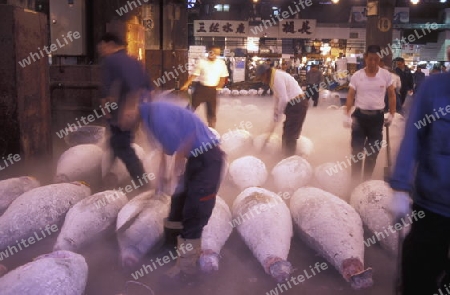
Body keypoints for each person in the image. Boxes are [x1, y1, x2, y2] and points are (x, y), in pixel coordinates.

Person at [119, 95, 225, 280]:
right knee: (177, 205)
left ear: (129, 111)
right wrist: (162, 178)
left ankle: (186, 269)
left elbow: (190, 133)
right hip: (194, 160)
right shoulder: (148, 119)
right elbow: (164, 150)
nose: (122, 125)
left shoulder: (157, 114)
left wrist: (177, 164)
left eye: (122, 119)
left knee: (194, 213)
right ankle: (170, 247)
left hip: (208, 160)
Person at [388, 50, 450, 295]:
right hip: (432, 205)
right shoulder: (434, 88)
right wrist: (400, 187)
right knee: (418, 277)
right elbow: (412, 137)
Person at [98, 32, 150, 189]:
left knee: (123, 147)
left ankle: (143, 185)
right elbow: (149, 87)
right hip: (135, 110)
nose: (101, 50)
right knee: (115, 143)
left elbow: (107, 89)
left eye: (101, 46)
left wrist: (126, 109)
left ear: (109, 44)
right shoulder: (135, 61)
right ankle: (108, 177)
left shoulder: (111, 60)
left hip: (121, 112)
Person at [344, 45, 396, 183]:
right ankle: (354, 181)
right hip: (359, 117)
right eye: (370, 59)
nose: (373, 63)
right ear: (365, 58)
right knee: (357, 151)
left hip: (377, 119)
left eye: (376, 60)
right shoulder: (357, 76)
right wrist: (347, 114)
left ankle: (366, 180)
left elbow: (391, 95)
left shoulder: (385, 75)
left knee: (373, 151)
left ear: (379, 60)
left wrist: (392, 114)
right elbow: (350, 95)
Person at [254, 63, 308, 157]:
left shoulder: (277, 78)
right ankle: (285, 155)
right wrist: (275, 112)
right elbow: (277, 96)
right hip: (293, 104)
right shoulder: (273, 77)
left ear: (265, 73)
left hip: (298, 104)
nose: (262, 80)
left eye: (261, 77)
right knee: (287, 131)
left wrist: (279, 115)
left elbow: (284, 99)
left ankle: (289, 158)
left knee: (290, 134)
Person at [180, 45, 228, 128]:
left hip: (212, 90)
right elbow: (194, 75)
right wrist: (186, 84)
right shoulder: (202, 62)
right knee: (191, 107)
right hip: (201, 89)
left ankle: (211, 129)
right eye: (213, 52)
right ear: (209, 52)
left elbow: (223, 77)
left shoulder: (221, 63)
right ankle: (181, 123)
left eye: (218, 53)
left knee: (212, 112)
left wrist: (219, 86)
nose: (215, 54)